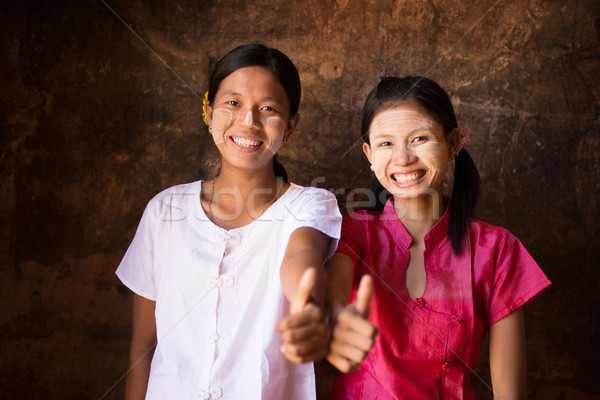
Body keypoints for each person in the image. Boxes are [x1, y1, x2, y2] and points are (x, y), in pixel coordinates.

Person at [116, 43, 342, 400]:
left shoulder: (310, 204)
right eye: (233, 103)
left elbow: (302, 260)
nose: (248, 121)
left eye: (268, 108)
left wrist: (308, 305)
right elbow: (143, 348)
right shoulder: (165, 210)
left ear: (292, 124)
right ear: (208, 113)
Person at [325, 76, 551, 399]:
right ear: (368, 154)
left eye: (419, 138)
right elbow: (331, 293)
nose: (402, 158)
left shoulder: (497, 249)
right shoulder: (351, 231)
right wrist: (330, 315)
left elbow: (509, 394)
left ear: (453, 141)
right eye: (386, 143)